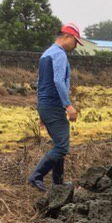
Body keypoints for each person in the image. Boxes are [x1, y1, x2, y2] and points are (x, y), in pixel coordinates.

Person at [28, 23, 84, 192]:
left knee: (59, 144)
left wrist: (41, 111)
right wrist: (68, 105)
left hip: (46, 106)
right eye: (75, 42)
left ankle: (58, 184)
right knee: (61, 147)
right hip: (54, 105)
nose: (75, 47)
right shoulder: (59, 55)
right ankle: (36, 177)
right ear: (67, 37)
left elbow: (40, 84)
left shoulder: (46, 54)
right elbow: (58, 81)